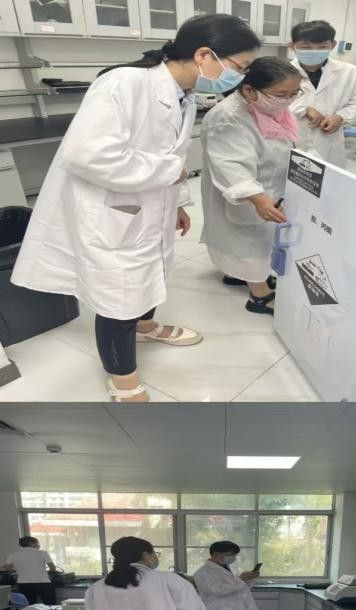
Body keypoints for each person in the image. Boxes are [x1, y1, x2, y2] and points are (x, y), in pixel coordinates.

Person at [11, 14, 261, 403]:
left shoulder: (183, 92)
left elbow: (169, 153)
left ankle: (146, 327)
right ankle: (121, 377)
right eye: (239, 66)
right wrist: (170, 173)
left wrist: (176, 202)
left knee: (151, 272)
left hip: (148, 204)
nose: (239, 77)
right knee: (120, 298)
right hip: (112, 210)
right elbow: (86, 155)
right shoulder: (124, 83)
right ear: (204, 55)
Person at [201, 57, 301, 316]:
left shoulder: (268, 109)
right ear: (248, 90)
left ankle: (239, 274)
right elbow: (231, 166)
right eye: (281, 94)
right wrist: (258, 198)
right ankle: (259, 295)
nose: (288, 100)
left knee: (256, 239)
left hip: (267, 187)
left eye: (294, 93)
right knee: (249, 239)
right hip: (248, 192)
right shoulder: (228, 118)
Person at [287, 20, 356, 168]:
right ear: (292, 46)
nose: (314, 52)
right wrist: (303, 109)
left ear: (333, 45)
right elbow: (266, 104)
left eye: (322, 47)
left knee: (327, 178)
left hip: (329, 143)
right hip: (290, 141)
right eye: (306, 47)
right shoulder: (279, 73)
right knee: (290, 178)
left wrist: (340, 117)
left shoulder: (350, 73)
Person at [2, 536, 57, 605]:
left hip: (24, 584)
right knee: (50, 605)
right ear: (32, 543)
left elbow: (7, 568)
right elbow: (52, 568)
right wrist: (46, 572)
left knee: (28, 606)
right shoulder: (43, 553)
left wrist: (17, 570)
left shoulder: (13, 554)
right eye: (37, 543)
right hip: (43, 583)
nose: (38, 545)